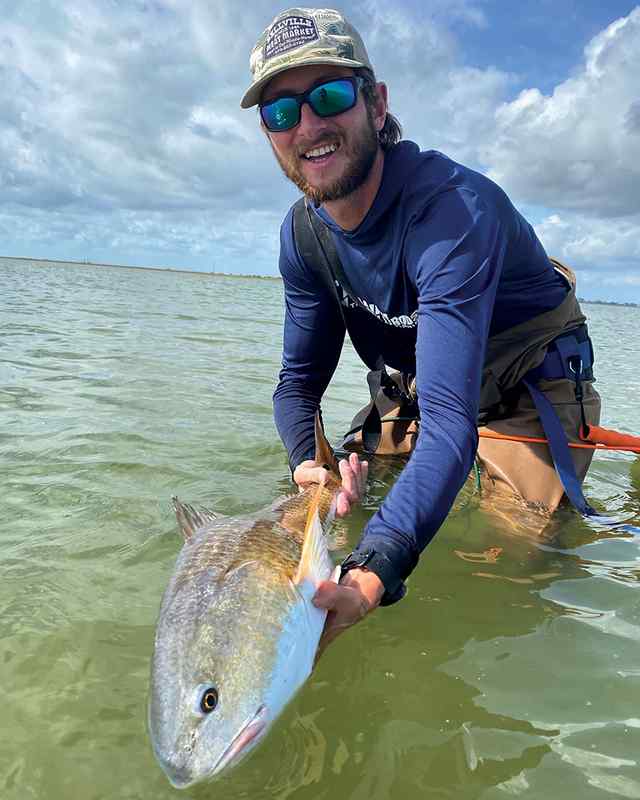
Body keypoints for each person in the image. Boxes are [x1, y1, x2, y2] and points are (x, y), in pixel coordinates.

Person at [240, 8, 600, 652]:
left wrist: (372, 574)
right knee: (340, 493)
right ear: (269, 134)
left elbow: (448, 426)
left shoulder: (453, 211)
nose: (308, 125)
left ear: (377, 105)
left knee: (506, 561)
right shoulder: (303, 236)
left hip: (527, 381)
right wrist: (306, 466)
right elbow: (296, 386)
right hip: (424, 382)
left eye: (329, 96)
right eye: (281, 111)